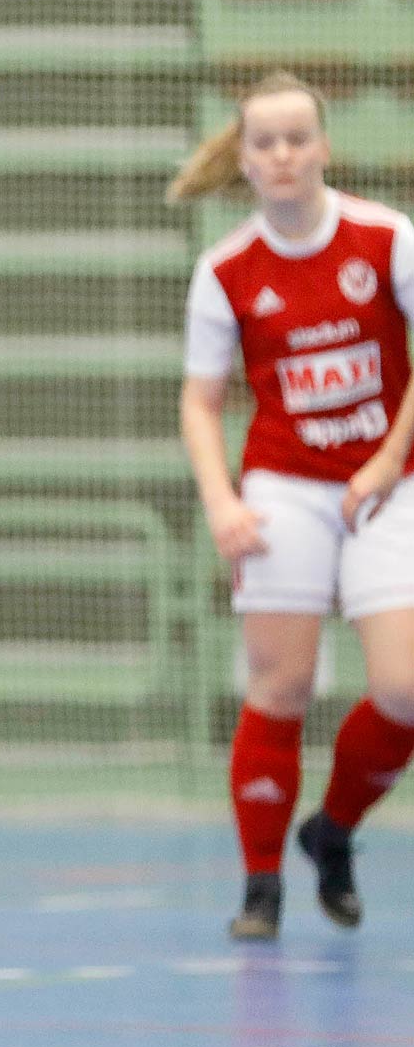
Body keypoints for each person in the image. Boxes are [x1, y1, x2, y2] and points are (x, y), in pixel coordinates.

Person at [172, 70, 414, 941]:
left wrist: (388, 459)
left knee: (404, 687)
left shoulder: (385, 238)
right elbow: (200, 402)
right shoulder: (226, 269)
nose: (282, 154)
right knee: (282, 684)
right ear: (243, 158)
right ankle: (261, 885)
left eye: (296, 138)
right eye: (264, 142)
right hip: (283, 486)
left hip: (384, 486)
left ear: (322, 147)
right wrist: (220, 502)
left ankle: (334, 830)